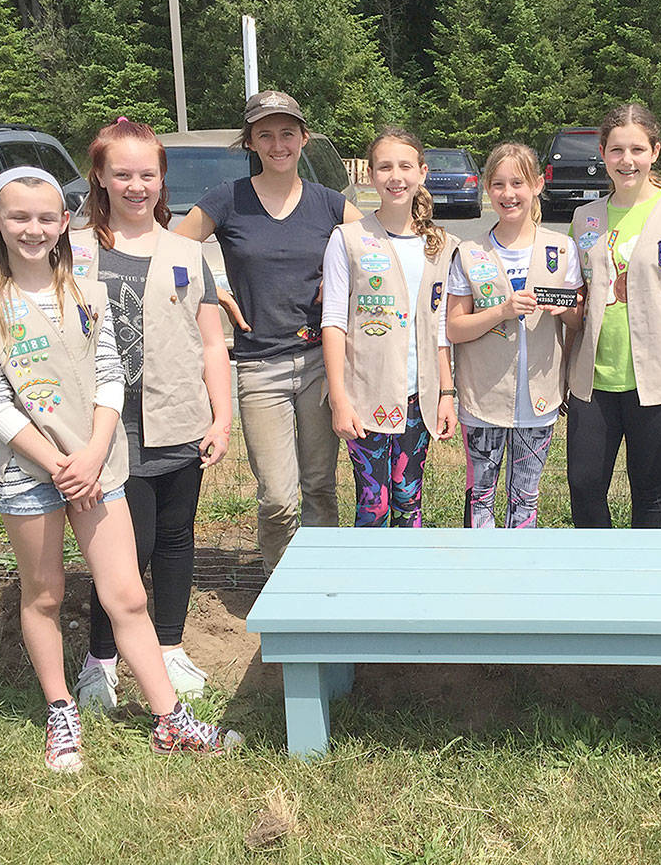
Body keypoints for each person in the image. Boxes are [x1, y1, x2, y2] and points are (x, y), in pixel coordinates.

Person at [0, 167, 241, 773]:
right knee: (46, 595)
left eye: (44, 218)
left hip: (99, 470)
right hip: (33, 477)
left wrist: (92, 455)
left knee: (127, 597)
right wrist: (57, 462)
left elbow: (111, 377)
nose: (32, 230)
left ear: (65, 223)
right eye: (18, 218)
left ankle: (170, 720)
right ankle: (62, 711)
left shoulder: (87, 293)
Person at [68, 118, 230, 710]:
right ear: (102, 180)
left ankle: (167, 646)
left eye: (147, 175)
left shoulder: (187, 252)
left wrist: (221, 417)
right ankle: (102, 659)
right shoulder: (75, 251)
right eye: (123, 175)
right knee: (120, 552)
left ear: (163, 181)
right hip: (103, 432)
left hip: (177, 421)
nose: (136, 186)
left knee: (173, 537)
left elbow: (212, 342)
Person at [176, 90, 362, 571]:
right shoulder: (228, 199)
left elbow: (376, 250)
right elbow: (171, 248)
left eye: (286, 133)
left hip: (322, 362)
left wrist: (340, 283)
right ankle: (280, 584)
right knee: (278, 497)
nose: (277, 144)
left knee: (320, 485)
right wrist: (212, 288)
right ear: (251, 143)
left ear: (303, 138)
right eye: (265, 135)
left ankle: (318, 587)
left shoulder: (329, 203)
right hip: (259, 367)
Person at [566, 103, 661, 527]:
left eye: (637, 149)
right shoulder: (584, 218)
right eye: (616, 150)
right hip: (592, 380)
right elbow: (578, 295)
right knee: (583, 483)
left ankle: (643, 581)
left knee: (649, 489)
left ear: (655, 151)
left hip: (657, 382)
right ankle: (600, 576)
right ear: (602, 153)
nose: (626, 160)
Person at [321, 128, 457, 527]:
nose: (395, 176)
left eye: (404, 166)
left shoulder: (440, 244)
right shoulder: (348, 239)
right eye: (384, 167)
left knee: (408, 500)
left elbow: (442, 326)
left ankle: (406, 582)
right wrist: (339, 399)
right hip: (365, 397)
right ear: (370, 175)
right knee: (373, 504)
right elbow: (333, 322)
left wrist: (446, 393)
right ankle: (370, 584)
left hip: (419, 396)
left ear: (422, 172)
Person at [447, 143, 583, 528]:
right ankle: (482, 573)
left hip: (538, 399)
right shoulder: (469, 252)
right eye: (499, 185)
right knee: (482, 494)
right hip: (482, 397)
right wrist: (501, 312)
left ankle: (517, 573)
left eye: (518, 183)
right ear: (487, 190)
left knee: (526, 495)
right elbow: (455, 328)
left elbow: (577, 322)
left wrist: (568, 309)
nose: (509, 194)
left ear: (538, 185)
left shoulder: (562, 248)